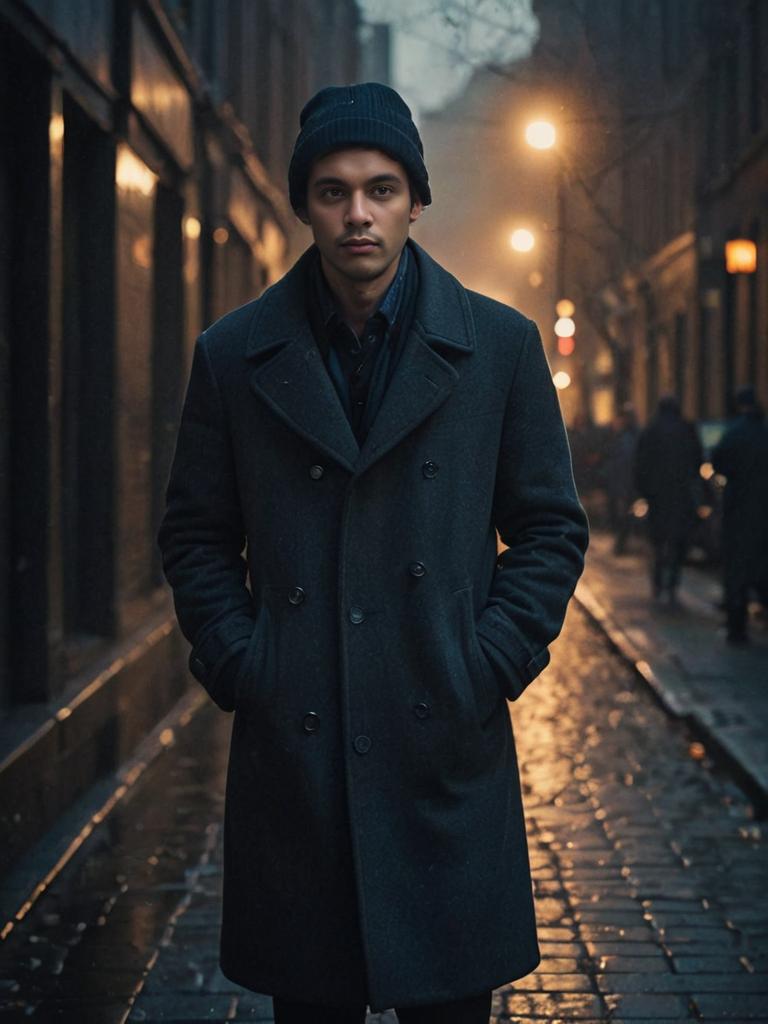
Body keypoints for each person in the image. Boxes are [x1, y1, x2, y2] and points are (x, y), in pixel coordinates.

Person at [157, 83, 589, 1023]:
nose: (359, 213)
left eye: (382, 189)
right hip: (298, 756)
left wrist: (488, 660)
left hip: (442, 751)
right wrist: (246, 660)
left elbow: (550, 529)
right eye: (334, 190)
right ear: (304, 202)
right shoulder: (234, 356)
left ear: (415, 200)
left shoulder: (501, 349)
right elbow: (194, 535)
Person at [711, 386, 768, 644]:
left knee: (737, 571)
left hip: (739, 510)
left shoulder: (734, 433)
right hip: (763, 511)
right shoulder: (763, 432)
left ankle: (737, 629)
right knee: (761, 567)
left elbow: (717, 461)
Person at [634, 395, 702, 605]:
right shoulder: (686, 428)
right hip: (681, 496)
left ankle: (657, 582)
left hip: (657, 497)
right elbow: (697, 460)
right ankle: (672, 584)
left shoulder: (651, 430)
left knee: (658, 542)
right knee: (679, 541)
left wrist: (644, 492)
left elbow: (640, 464)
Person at [603, 403, 638, 555]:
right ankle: (620, 543)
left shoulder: (626, 437)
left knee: (623, 514)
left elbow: (623, 462)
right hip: (622, 482)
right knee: (622, 514)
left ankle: (620, 544)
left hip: (624, 482)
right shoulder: (622, 436)